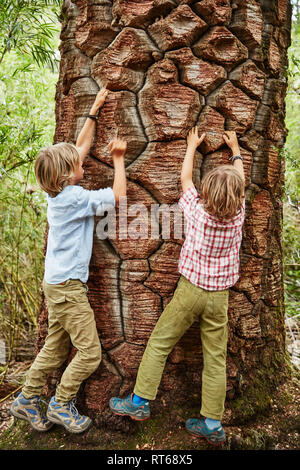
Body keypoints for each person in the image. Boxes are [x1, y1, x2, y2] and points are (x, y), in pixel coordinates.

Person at [109, 128, 245, 446]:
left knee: (159, 343)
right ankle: (212, 422)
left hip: (189, 292)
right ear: (238, 197)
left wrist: (191, 147)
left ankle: (139, 403)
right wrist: (236, 150)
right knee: (215, 358)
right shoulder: (239, 215)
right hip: (219, 297)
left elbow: (185, 181)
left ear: (207, 194)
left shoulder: (198, 212)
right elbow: (239, 180)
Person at [10, 88, 127, 434]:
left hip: (57, 284)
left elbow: (80, 147)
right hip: (68, 290)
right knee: (89, 354)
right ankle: (61, 403)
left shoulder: (57, 194)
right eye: (77, 165)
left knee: (54, 348)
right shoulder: (75, 199)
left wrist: (94, 108)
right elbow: (118, 196)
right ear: (67, 176)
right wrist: (118, 158)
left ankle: (26, 399)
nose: (82, 162)